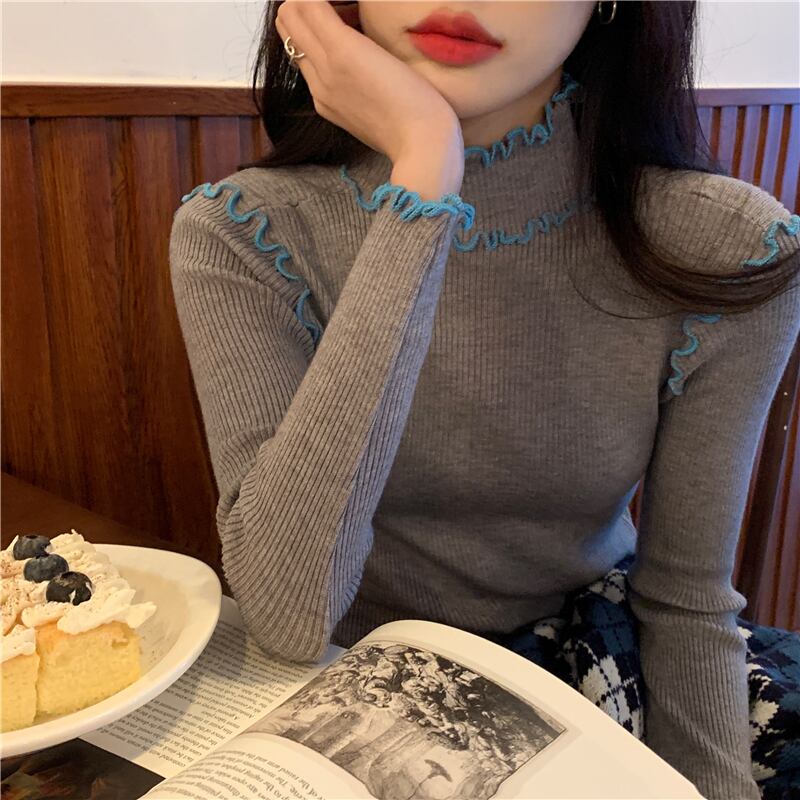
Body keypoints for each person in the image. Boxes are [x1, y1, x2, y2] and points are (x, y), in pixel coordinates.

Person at [168, 2, 800, 798]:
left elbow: (685, 601)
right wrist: (424, 175)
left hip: (592, 666)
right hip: (345, 688)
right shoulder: (243, 231)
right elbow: (288, 613)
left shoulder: (727, 248)